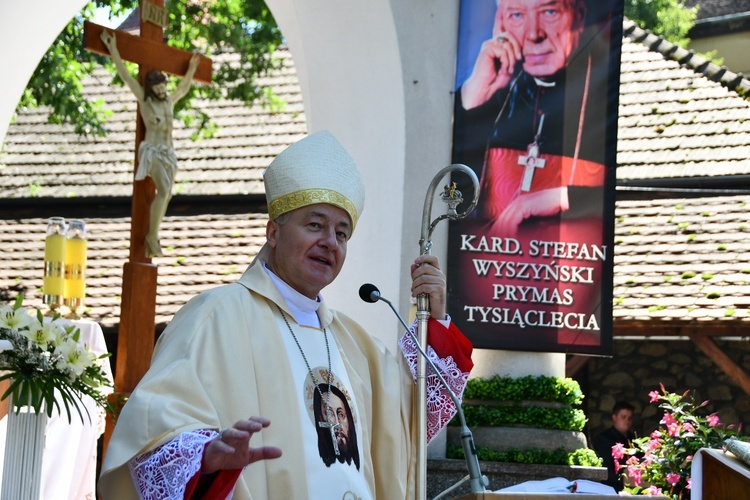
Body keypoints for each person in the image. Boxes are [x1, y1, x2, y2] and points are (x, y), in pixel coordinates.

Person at [98, 130, 474, 499]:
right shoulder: (215, 316)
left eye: (342, 233)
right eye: (315, 225)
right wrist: (205, 458)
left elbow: (409, 421)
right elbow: (156, 424)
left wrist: (435, 316)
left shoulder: (355, 346)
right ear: (273, 232)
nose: (330, 241)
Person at [453, 0, 607, 235]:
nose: (534, 34)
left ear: (579, 16)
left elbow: (625, 193)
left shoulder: (606, 90)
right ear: (501, 23)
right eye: (516, 15)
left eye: (549, 11)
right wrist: (471, 101)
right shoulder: (492, 89)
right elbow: (450, 190)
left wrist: (564, 196)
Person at [100, 30, 201, 258]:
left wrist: (192, 67)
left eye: (165, 87)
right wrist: (113, 48)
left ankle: (154, 234)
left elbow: (184, 87)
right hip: (152, 151)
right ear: (152, 88)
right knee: (163, 189)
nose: (164, 91)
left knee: (166, 194)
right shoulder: (145, 102)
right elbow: (126, 76)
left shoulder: (168, 103)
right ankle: (152, 237)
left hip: (168, 153)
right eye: (159, 88)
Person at [592, 401, 636, 492]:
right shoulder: (603, 439)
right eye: (623, 417)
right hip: (610, 489)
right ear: (614, 417)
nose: (627, 421)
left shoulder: (634, 440)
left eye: (630, 418)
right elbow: (606, 470)